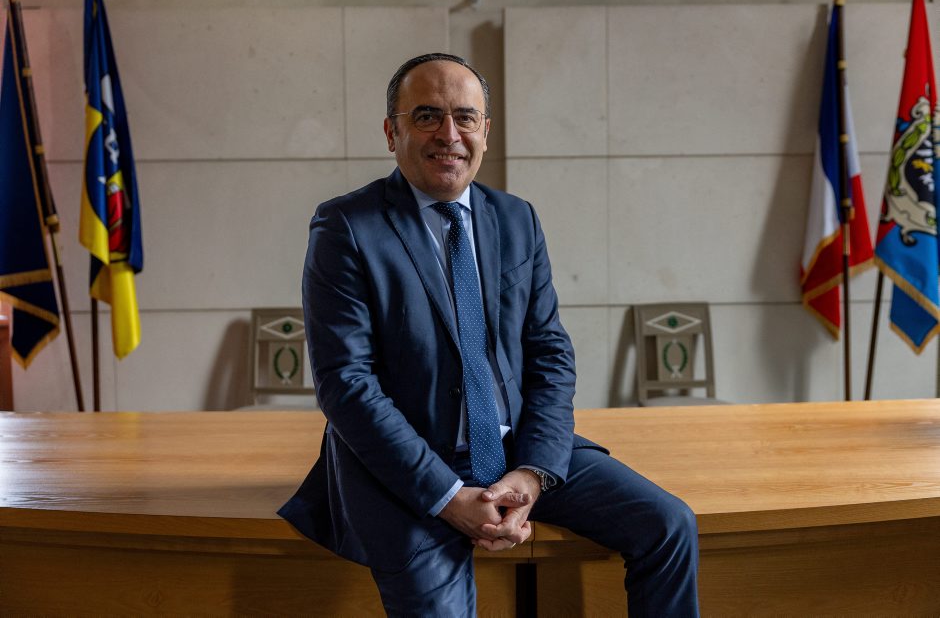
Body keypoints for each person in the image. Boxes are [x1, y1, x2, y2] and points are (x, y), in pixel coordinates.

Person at [279, 52, 699, 617]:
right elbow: (345, 383)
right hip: (407, 468)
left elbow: (550, 353)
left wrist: (531, 473)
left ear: (485, 131)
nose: (448, 135)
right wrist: (447, 496)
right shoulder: (347, 227)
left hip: (515, 448)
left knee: (669, 526)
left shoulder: (516, 218)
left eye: (465, 117)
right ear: (391, 132)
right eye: (426, 116)